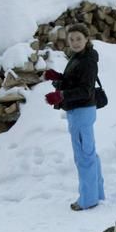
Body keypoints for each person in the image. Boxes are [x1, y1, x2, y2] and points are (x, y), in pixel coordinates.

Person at [44, 24, 106, 211]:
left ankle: (88, 200)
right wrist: (58, 78)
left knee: (84, 156)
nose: (75, 42)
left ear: (87, 38)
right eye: (71, 39)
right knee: (89, 153)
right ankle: (97, 193)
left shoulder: (87, 61)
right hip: (80, 112)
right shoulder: (78, 57)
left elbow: (85, 90)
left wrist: (61, 96)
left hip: (81, 112)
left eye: (78, 38)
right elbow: (74, 81)